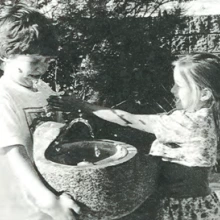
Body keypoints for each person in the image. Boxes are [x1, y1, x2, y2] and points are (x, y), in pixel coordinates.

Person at [48, 52, 220, 219]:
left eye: (179, 85)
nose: (172, 90)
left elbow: (128, 120)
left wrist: (83, 105)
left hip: (184, 209)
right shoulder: (205, 116)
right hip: (197, 204)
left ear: (204, 94)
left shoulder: (189, 122)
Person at [0, 3, 80, 220]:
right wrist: (50, 203)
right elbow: (14, 152)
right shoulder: (4, 95)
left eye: (48, 62)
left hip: (48, 193)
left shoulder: (44, 89)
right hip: (22, 204)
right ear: (6, 55)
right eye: (34, 61)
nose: (42, 68)